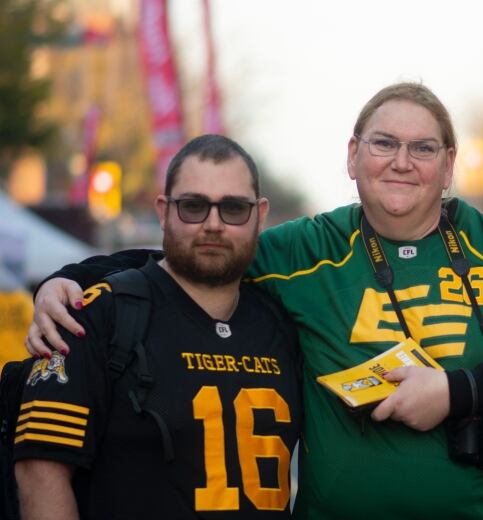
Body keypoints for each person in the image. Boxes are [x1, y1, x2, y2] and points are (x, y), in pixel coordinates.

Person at [26, 83, 483, 518]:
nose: (401, 161)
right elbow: (203, 247)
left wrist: (460, 392)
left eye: (423, 148)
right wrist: (72, 275)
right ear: (353, 156)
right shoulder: (308, 249)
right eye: (384, 143)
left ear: (449, 166)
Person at [14, 135, 301, 519]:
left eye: (233, 208)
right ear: (164, 211)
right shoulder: (95, 314)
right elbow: (40, 472)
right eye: (193, 206)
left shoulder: (283, 323)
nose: (213, 225)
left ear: (260, 214)